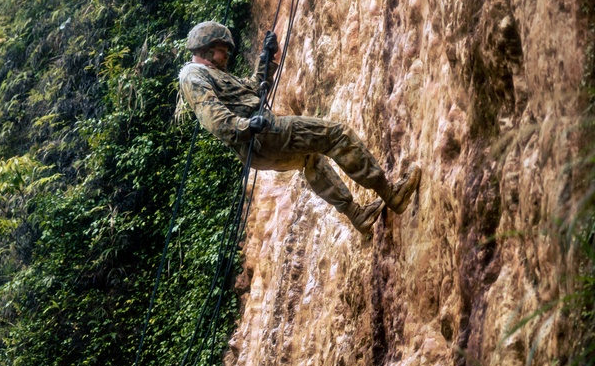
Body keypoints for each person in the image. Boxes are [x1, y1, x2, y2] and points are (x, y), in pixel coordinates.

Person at [178, 21, 422, 234]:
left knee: (310, 159)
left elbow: (253, 89)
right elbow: (211, 115)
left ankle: (358, 215)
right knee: (337, 135)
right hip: (262, 133)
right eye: (222, 51)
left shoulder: (216, 73)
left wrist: (267, 57)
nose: (227, 56)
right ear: (206, 49)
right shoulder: (192, 74)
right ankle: (391, 195)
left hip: (256, 149)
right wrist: (246, 126)